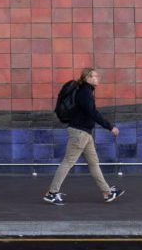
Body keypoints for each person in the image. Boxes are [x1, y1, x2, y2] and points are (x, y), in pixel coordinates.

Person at [44, 68, 125, 205]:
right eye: (94, 76)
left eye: (97, 76)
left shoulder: (86, 91)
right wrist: (110, 127)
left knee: (93, 163)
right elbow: (93, 113)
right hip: (79, 133)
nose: (97, 78)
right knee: (68, 162)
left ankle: (107, 192)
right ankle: (52, 193)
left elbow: (89, 113)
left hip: (85, 133)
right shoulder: (85, 92)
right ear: (87, 78)